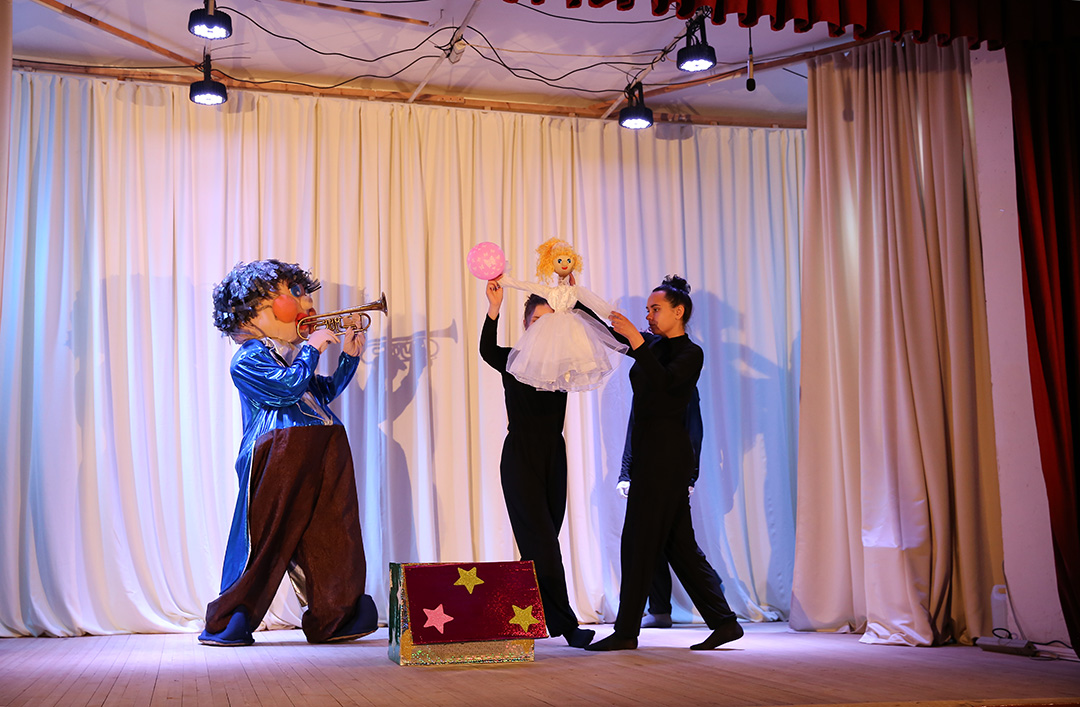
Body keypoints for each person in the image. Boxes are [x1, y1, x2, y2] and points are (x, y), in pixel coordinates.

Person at [199, 259, 378, 647]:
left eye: (305, 294)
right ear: (251, 311)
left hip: (324, 443)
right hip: (279, 449)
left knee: (333, 531)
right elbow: (286, 390)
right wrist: (312, 349)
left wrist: (348, 357)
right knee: (264, 537)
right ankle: (232, 615)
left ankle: (337, 613)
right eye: (293, 294)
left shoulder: (289, 354)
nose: (307, 304)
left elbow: (320, 393)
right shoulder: (249, 357)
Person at [587, 275, 742, 651]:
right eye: (647, 310)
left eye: (655, 309)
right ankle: (724, 622)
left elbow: (665, 386)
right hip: (649, 458)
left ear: (679, 311)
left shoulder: (691, 353)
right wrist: (571, 298)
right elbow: (606, 332)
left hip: (667, 461)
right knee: (679, 546)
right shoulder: (651, 345)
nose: (649, 316)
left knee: (637, 542)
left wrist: (639, 342)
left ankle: (626, 632)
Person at [480, 278, 595, 648]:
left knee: (540, 546)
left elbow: (593, 330)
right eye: (538, 321)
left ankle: (517, 618)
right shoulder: (513, 360)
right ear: (527, 324)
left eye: (552, 321)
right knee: (544, 545)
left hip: (553, 458)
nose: (545, 328)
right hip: (520, 458)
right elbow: (486, 350)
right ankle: (568, 626)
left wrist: (570, 298)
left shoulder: (566, 364)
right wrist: (494, 308)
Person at [617, 388, 704, 629]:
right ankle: (658, 609)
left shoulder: (682, 384)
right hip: (646, 472)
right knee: (650, 542)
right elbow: (634, 428)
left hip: (670, 471)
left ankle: (655, 612)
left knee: (673, 544)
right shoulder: (645, 382)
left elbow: (694, 430)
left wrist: (690, 476)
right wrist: (625, 473)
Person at [496, 238, 625, 392]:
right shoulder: (550, 292)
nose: (564, 264)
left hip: (572, 327)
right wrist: (505, 281)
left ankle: (568, 372)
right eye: (559, 261)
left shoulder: (575, 291)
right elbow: (527, 286)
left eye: (568, 260)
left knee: (578, 353)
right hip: (560, 327)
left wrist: (610, 313)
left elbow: (593, 301)